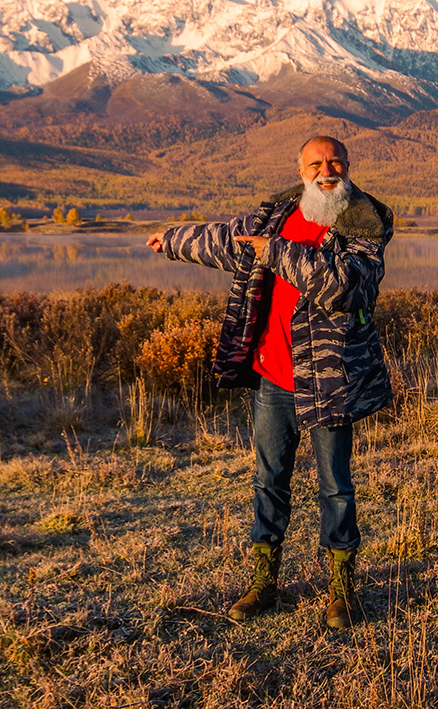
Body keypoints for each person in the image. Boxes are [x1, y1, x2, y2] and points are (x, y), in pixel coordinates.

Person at [146, 135, 393, 628]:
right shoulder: (275, 216)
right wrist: (170, 239)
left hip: (328, 379)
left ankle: (341, 591)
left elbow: (346, 285)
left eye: (336, 161)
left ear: (347, 166)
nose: (328, 170)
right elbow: (222, 239)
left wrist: (277, 253)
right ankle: (264, 584)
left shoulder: (364, 220)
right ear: (301, 169)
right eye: (317, 163)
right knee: (268, 482)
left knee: (336, 488)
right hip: (272, 380)